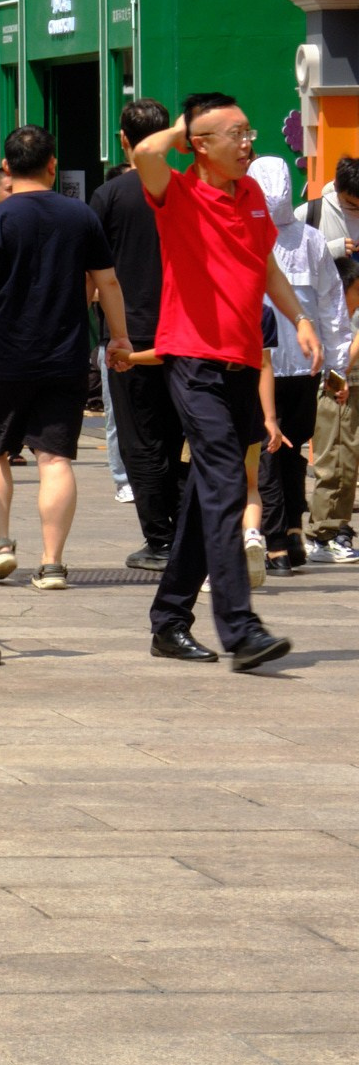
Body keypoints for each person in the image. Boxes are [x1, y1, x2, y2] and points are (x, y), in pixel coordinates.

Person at [132, 93, 320, 670]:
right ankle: (241, 629)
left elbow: (262, 267)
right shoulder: (177, 193)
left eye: (248, 131)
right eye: (233, 134)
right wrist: (185, 126)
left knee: (206, 493)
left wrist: (301, 319)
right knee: (225, 484)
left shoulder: (254, 197)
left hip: (243, 360)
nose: (247, 144)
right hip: (193, 358)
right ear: (199, 145)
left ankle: (169, 619)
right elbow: (143, 151)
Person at [0, 123, 130, 588]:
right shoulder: (80, 216)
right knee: (55, 459)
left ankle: (1, 542)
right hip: (66, 356)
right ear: (53, 166)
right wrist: (119, 338)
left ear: (8, 171)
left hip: (5, 357)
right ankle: (52, 563)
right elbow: (108, 282)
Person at [92, 100, 183, 573]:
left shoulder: (109, 197)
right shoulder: (185, 189)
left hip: (130, 332)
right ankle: (189, 536)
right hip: (186, 331)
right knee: (182, 435)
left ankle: (160, 539)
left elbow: (94, 271)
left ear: (125, 140)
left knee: (140, 438)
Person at [251, 154, 343, 577]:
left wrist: (336, 361)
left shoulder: (267, 237)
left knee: (274, 453)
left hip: (276, 364)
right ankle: (288, 532)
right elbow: (331, 306)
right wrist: (336, 361)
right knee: (288, 455)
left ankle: (278, 540)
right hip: (293, 365)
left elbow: (329, 304)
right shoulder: (305, 239)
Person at [303, 155, 359, 564]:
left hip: (344, 351)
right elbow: (284, 253)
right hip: (332, 352)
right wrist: (336, 248)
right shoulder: (313, 213)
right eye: (353, 204)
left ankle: (335, 528)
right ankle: (325, 532)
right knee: (335, 448)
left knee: (345, 449)